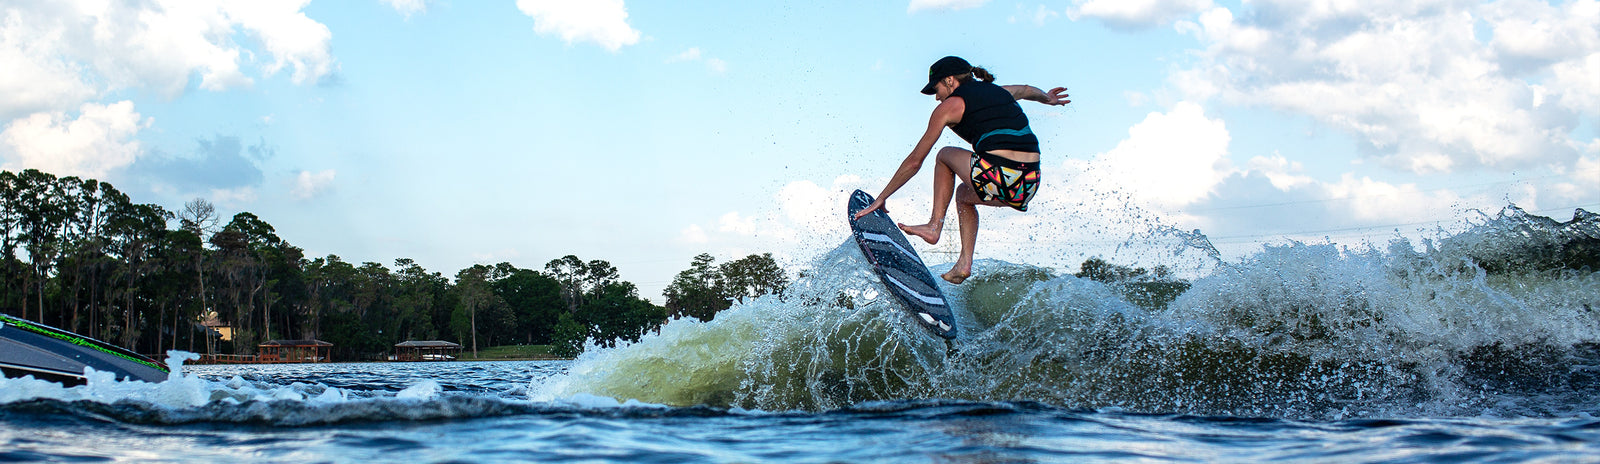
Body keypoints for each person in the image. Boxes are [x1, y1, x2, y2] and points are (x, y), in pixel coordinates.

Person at [853, 56, 1070, 284]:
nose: (937, 97)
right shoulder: (1000, 91)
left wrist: (881, 198)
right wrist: (1049, 99)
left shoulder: (951, 106)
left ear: (949, 80)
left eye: (936, 89)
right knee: (964, 196)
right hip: (1028, 183)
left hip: (999, 173)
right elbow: (1026, 90)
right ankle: (964, 264)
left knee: (944, 155)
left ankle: (934, 226)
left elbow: (915, 161)